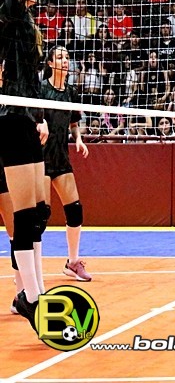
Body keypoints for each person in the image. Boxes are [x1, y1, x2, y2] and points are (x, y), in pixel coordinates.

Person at [0, 0, 56, 330]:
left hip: (24, 117)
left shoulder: (26, 22)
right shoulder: (9, 13)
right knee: (22, 215)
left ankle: (33, 292)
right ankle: (33, 299)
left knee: (38, 213)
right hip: (9, 120)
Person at [40, 46, 92, 282]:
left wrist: (78, 138)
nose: (65, 61)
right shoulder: (41, 89)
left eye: (67, 57)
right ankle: (27, 268)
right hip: (40, 159)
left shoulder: (71, 92)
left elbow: (73, 123)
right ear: (50, 63)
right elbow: (31, 117)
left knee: (75, 209)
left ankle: (72, 262)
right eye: (60, 57)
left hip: (61, 158)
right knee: (40, 215)